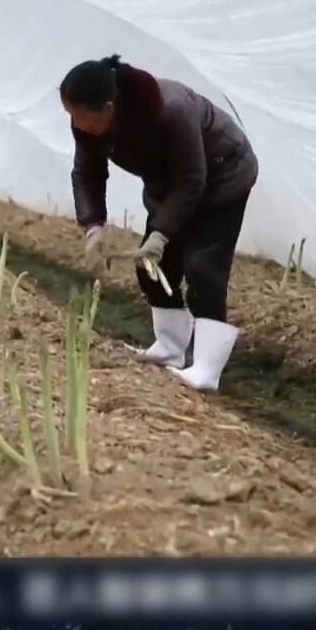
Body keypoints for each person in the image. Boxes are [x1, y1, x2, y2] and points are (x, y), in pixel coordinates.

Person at [59, 55, 258, 392]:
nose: (76, 123)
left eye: (79, 114)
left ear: (108, 107)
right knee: (151, 266)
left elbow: (192, 180)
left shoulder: (171, 110)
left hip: (223, 177)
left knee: (203, 267)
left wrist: (162, 233)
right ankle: (170, 348)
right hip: (172, 186)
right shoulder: (90, 127)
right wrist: (93, 225)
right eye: (71, 115)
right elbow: (87, 173)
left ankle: (206, 369)